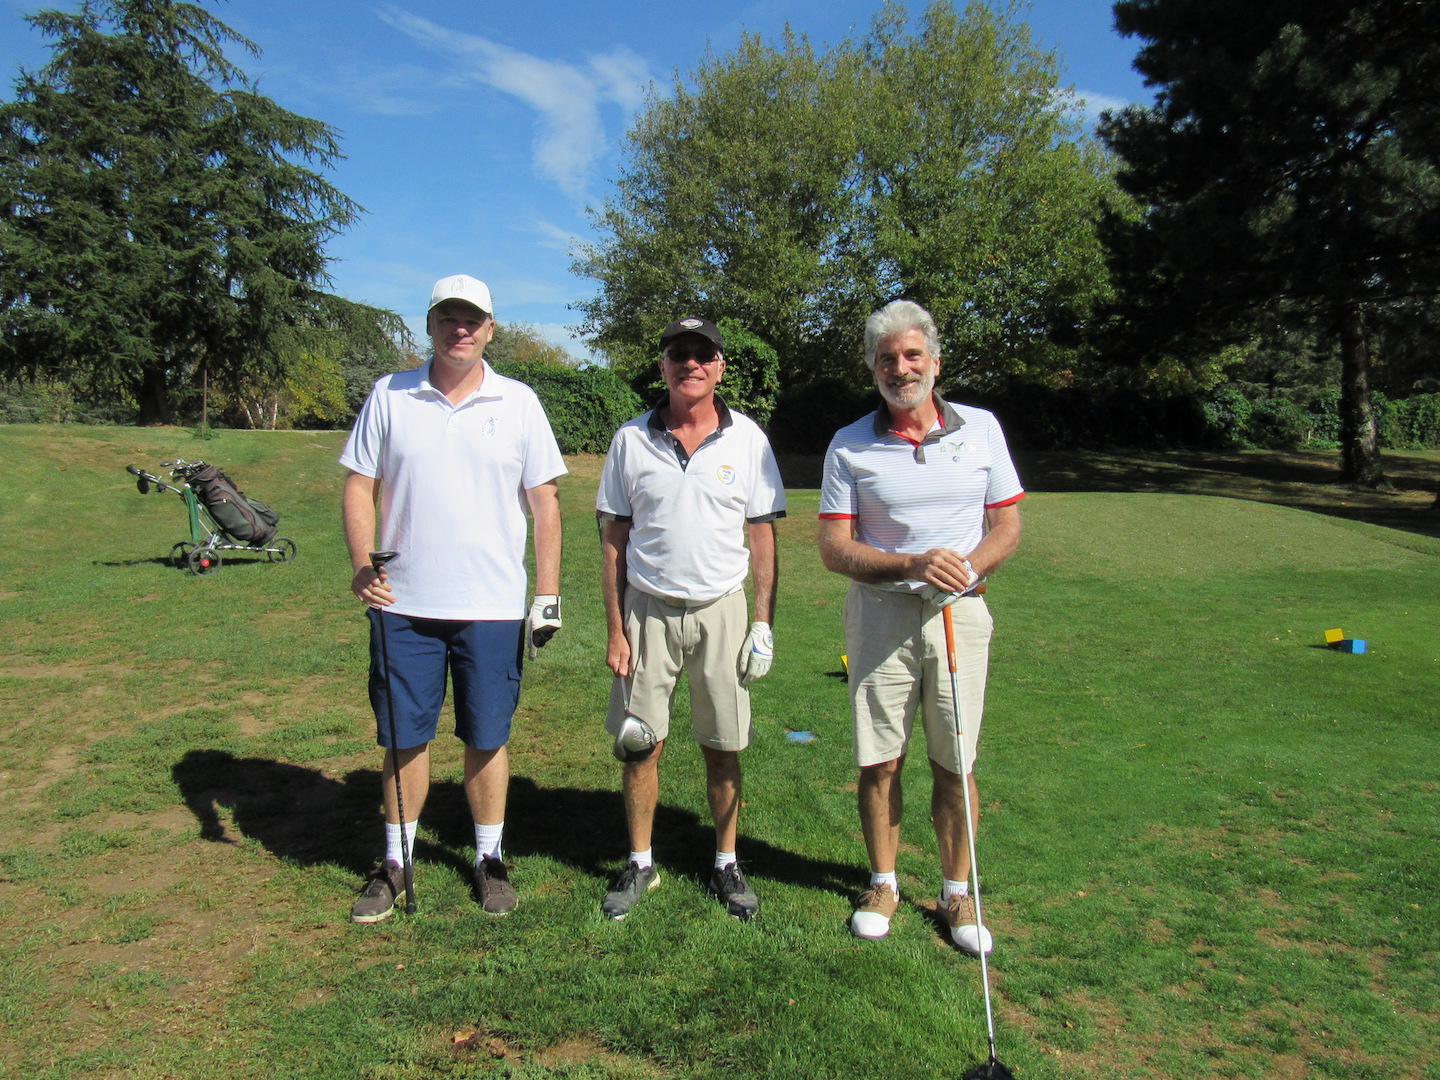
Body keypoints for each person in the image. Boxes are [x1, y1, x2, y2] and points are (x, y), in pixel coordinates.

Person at [341, 273, 566, 923]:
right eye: (448, 317)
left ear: (490, 329)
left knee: (487, 736)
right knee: (403, 739)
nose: (459, 328)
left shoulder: (519, 402)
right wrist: (362, 564)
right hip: (403, 602)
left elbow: (545, 502)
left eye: (472, 319)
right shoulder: (390, 395)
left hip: (492, 604)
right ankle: (396, 860)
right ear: (430, 324)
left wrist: (546, 594)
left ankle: (489, 857)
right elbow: (360, 486)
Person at [818, 299, 1024, 953]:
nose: (900, 368)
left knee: (955, 764)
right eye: (887, 359)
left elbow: (1008, 525)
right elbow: (834, 549)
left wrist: (964, 570)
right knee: (880, 760)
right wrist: (909, 563)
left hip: (960, 613)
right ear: (873, 369)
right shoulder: (849, 442)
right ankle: (883, 881)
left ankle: (957, 892)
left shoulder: (983, 430)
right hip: (880, 614)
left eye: (911, 356)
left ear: (934, 361)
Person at [596, 317, 786, 921]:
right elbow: (613, 541)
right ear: (663, 366)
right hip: (648, 608)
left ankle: (727, 863)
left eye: (703, 355)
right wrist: (616, 627)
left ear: (720, 366)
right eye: (679, 354)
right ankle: (640, 861)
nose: (691, 364)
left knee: (723, 746)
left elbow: (762, 537)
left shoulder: (749, 440)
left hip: (723, 609)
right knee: (638, 745)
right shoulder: (630, 440)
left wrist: (762, 622)